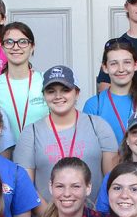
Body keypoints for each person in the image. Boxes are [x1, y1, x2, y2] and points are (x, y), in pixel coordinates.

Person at [16, 65, 119, 208]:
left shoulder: (99, 126)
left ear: (76, 93)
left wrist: (95, 216)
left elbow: (112, 179)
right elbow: (26, 187)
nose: (58, 96)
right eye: (51, 91)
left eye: (65, 90)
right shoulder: (30, 133)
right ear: (44, 95)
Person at [83, 38, 137, 144]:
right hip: (109, 160)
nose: (121, 69)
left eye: (127, 62)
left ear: (136, 65)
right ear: (105, 68)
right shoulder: (94, 105)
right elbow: (89, 146)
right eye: (114, 63)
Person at [0, 22, 48, 139]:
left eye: (23, 42)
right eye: (9, 42)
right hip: (4, 153)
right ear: (2, 47)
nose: (15, 47)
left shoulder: (45, 80)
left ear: (32, 46)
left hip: (40, 152)